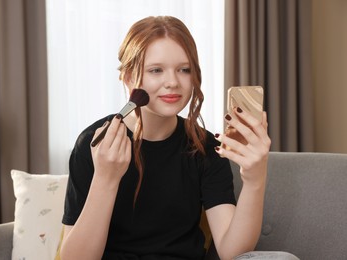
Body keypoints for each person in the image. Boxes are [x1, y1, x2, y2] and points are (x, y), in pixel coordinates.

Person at [60, 16, 297, 260]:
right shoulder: (94, 143)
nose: (173, 82)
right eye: (156, 70)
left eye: (184, 70)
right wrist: (106, 178)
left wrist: (255, 180)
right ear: (129, 78)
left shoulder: (205, 147)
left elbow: (232, 251)